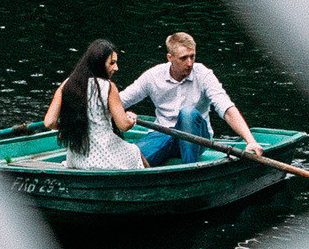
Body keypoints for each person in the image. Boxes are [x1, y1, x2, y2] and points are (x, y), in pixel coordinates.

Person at [120, 31, 261, 166]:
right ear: (169, 58)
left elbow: (226, 108)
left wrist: (250, 140)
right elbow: (120, 101)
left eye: (192, 56)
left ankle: (190, 169)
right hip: (162, 134)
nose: (189, 63)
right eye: (183, 58)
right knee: (130, 162)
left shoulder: (204, 75)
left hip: (197, 138)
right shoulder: (153, 76)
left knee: (187, 113)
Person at [43, 38, 147, 170]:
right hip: (105, 155)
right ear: (99, 63)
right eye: (112, 63)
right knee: (135, 151)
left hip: (76, 157)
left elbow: (49, 122)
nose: (116, 68)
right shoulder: (108, 87)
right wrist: (132, 119)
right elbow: (123, 125)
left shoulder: (67, 84)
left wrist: (69, 126)